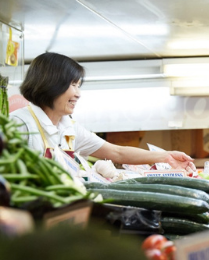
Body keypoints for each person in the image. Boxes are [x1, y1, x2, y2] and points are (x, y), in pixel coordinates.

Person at [10, 52, 196, 173]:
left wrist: (166, 156)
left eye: (79, 86)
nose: (78, 94)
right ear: (51, 83)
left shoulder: (69, 129)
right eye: (73, 85)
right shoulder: (20, 124)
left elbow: (117, 152)